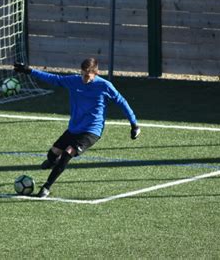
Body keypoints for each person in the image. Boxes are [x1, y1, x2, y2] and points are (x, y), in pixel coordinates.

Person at [14, 58, 140, 198]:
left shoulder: (105, 86)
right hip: (74, 128)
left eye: (88, 76)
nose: (84, 79)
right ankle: (52, 162)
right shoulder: (74, 81)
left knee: (68, 153)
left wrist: (134, 124)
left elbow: (122, 102)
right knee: (53, 153)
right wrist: (28, 70)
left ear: (96, 73)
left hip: (92, 130)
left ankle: (46, 187)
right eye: (82, 74)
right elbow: (53, 78)